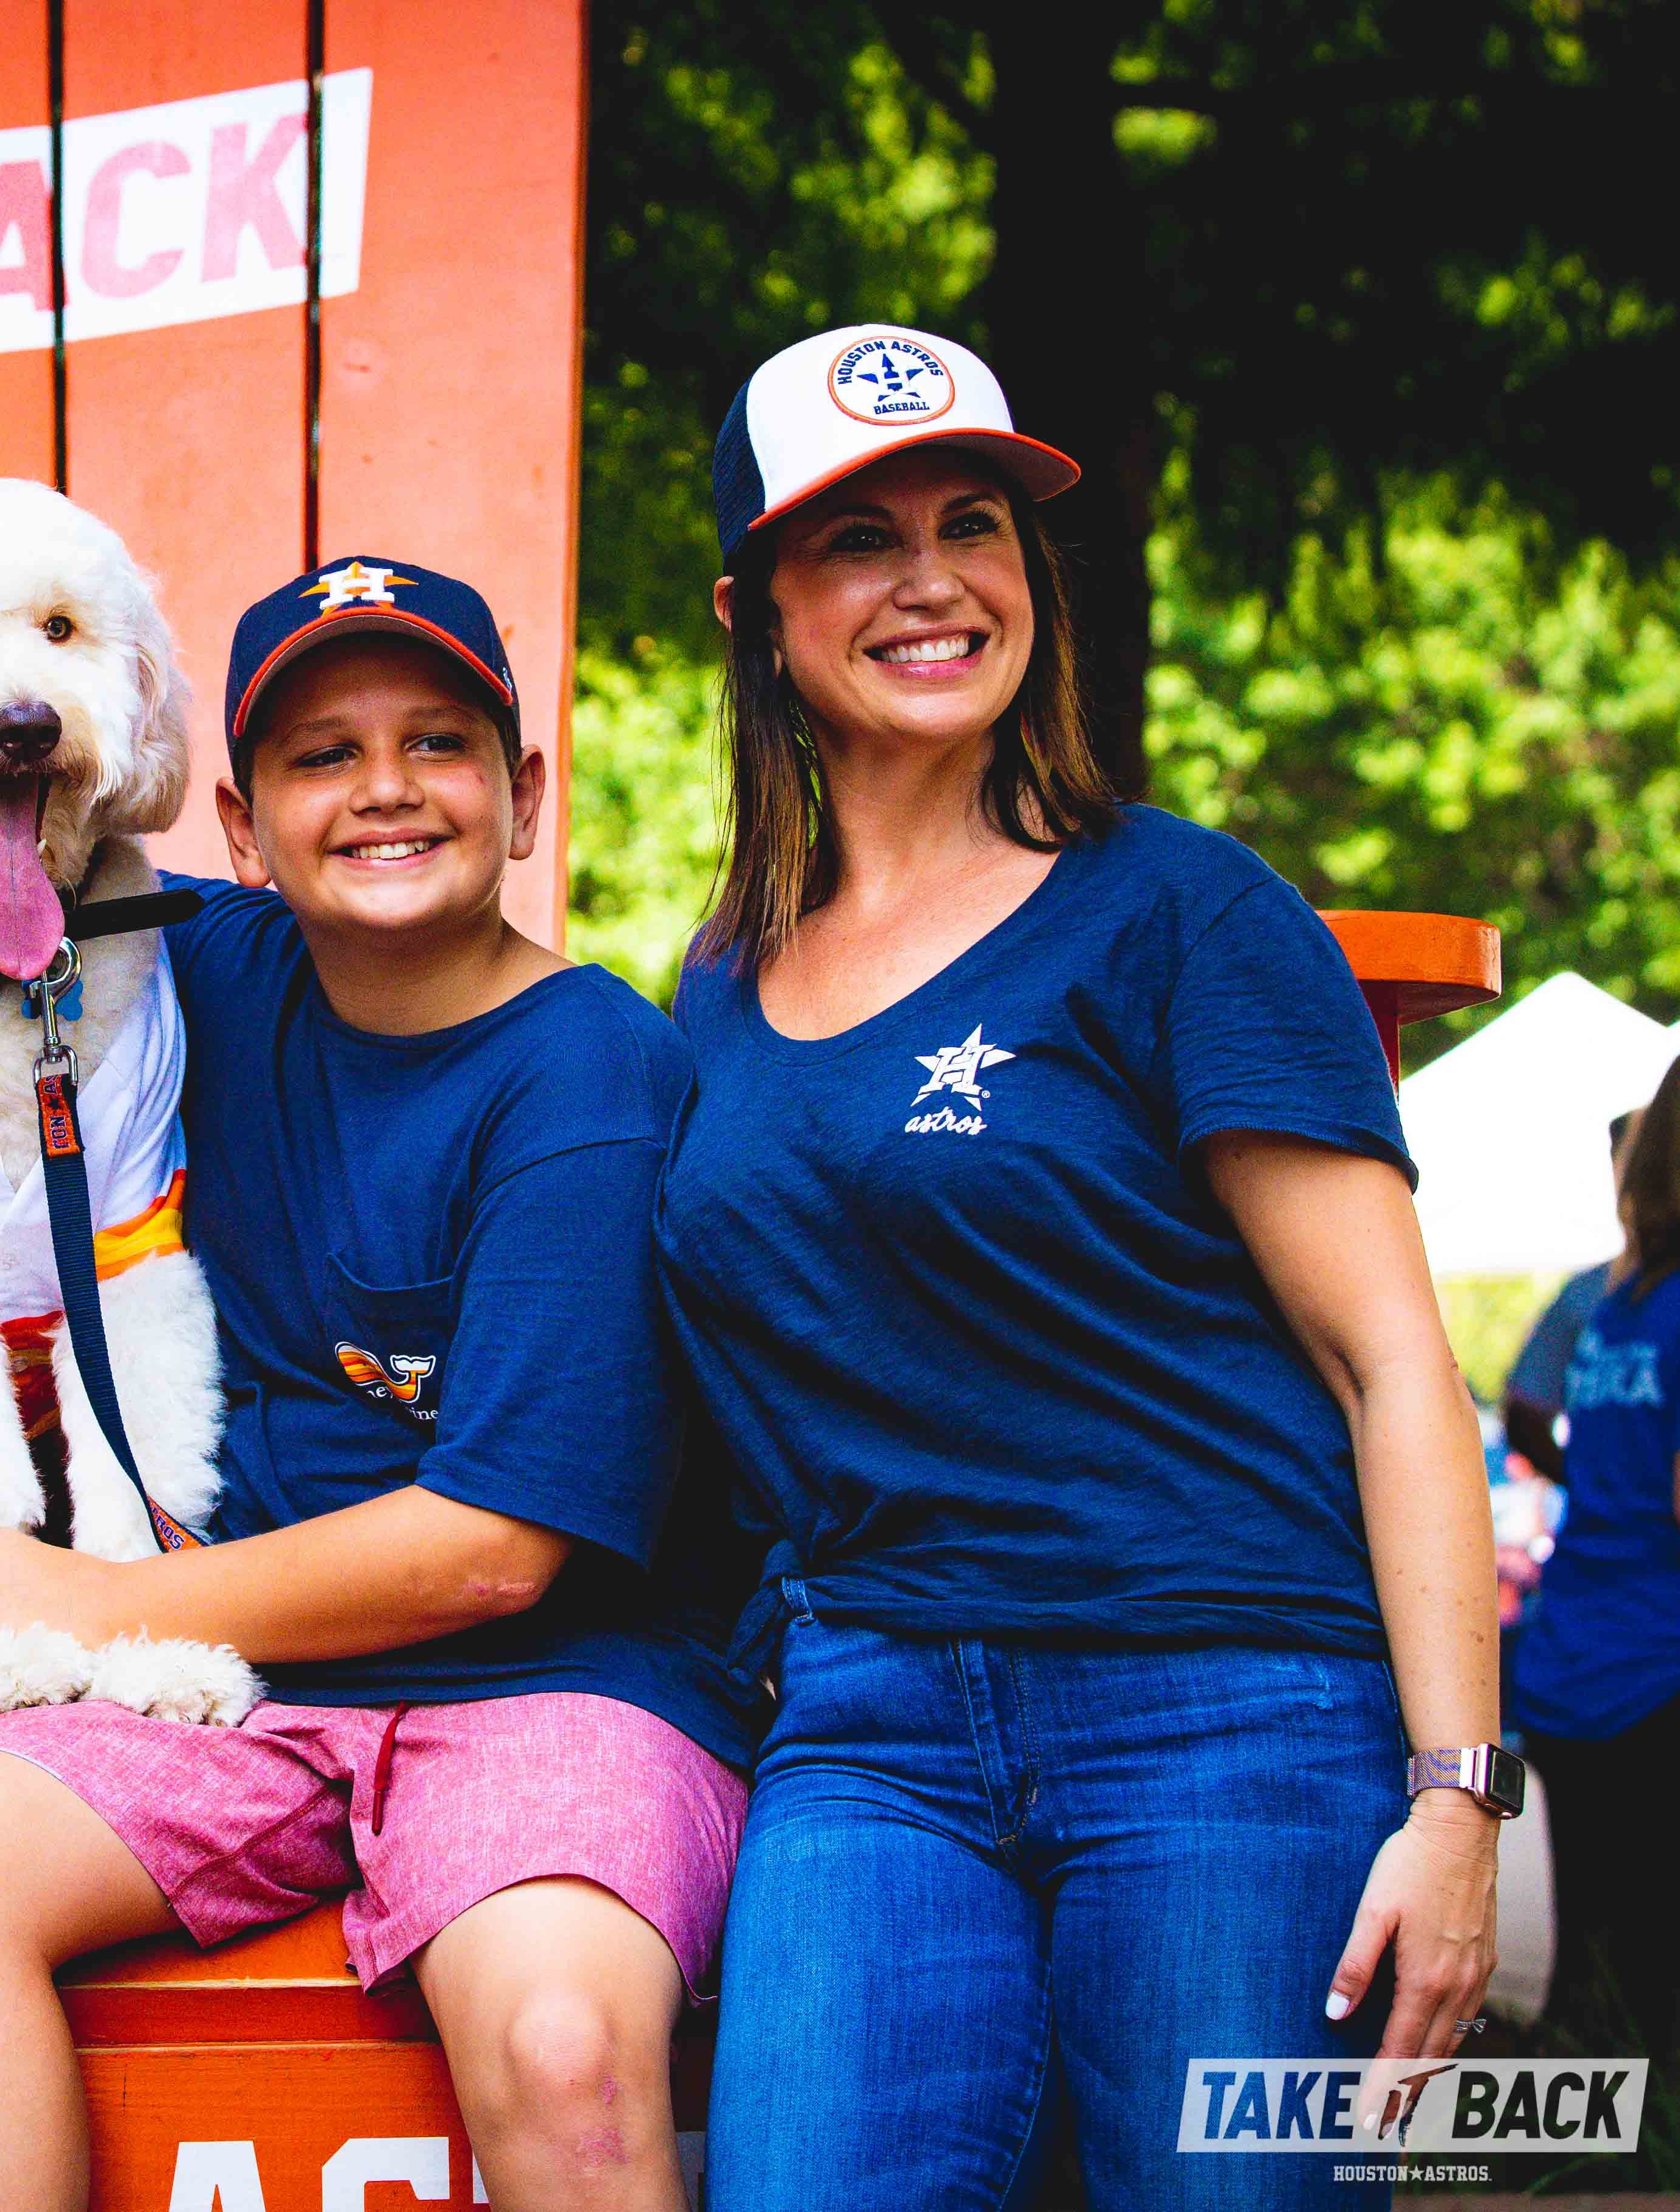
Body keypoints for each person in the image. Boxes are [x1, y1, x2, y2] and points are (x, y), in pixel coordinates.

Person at [655, 325, 1508, 2210]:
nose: (935, 576)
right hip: (865, 1725)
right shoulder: (706, 996)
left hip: (1229, 1709)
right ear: (754, 609)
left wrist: (1458, 1798)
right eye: (857, 536)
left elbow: (1394, 1364)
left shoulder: (1183, 908)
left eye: (973, 522)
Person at [0, 560, 761, 2212]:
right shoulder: (204, 969)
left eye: (437, 743)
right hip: (250, 1684)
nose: (382, 788)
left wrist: (98, 1597)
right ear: (240, 826)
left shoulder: (589, 1072)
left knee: (553, 2030)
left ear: (522, 795)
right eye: (323, 755)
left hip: (554, 1679)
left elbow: (491, 1547)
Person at [1509, 1062, 1680, 2057]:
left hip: (1584, 1649)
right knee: (1648, 1967)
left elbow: (1535, 1414)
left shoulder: (1614, 1301)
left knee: (1600, 1963)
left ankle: (1579, 2157)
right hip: (1655, 1663)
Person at [1501, 1109, 1643, 1480]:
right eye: (1625, 1163)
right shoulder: (1588, 1293)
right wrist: (1585, 1483)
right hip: (1601, 1530)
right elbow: (1523, 1410)